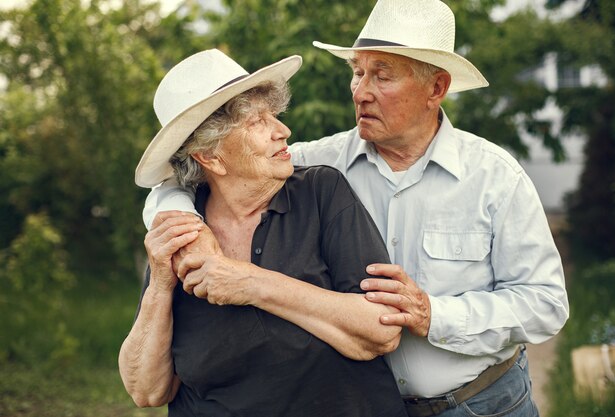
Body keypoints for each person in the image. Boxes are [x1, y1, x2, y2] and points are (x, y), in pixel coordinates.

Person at [143, 1, 570, 416]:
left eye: (382, 76)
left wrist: (433, 314)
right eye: (357, 72)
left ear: (436, 88)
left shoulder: (494, 177)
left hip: (481, 403)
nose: (361, 91)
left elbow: (545, 303)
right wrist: (188, 225)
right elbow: (191, 173)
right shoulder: (314, 164)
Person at [119, 49, 409, 417]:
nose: (282, 131)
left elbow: (381, 330)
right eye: (257, 122)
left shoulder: (320, 192)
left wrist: (252, 284)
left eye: (273, 115)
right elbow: (147, 391)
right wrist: (160, 284)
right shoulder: (183, 233)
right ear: (210, 156)